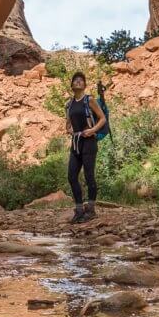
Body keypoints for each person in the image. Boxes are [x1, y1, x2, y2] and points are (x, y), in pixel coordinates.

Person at [66, 71, 106, 223]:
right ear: (71, 85)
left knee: (89, 176)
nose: (78, 82)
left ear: (84, 85)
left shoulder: (89, 100)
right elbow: (68, 124)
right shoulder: (69, 104)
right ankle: (78, 210)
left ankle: (91, 209)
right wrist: (69, 130)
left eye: (81, 80)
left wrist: (93, 130)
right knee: (71, 176)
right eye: (75, 80)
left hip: (89, 142)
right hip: (76, 143)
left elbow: (102, 119)